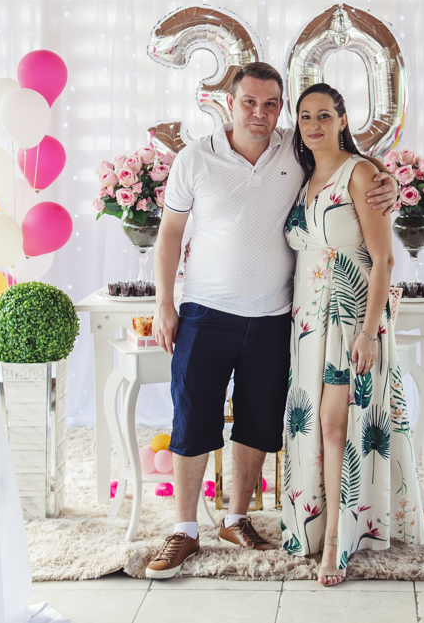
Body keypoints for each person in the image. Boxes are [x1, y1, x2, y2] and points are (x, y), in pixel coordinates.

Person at [144, 62, 399, 580]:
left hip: (276, 316)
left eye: (270, 104)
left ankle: (236, 519)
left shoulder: (295, 149)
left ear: (280, 108)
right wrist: (163, 303)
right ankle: (185, 529)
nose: (259, 113)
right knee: (192, 419)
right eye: (249, 102)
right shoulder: (195, 159)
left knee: (259, 422)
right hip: (204, 311)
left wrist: (387, 182)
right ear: (228, 103)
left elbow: (347, 164)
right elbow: (169, 233)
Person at [282, 83, 424, 586]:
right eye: (305, 116)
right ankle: (315, 526)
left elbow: (384, 260)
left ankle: (336, 545)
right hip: (308, 322)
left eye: (324, 115)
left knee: (334, 424)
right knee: (315, 427)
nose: (314, 124)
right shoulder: (301, 177)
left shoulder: (361, 173)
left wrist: (369, 332)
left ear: (343, 120)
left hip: (350, 316)